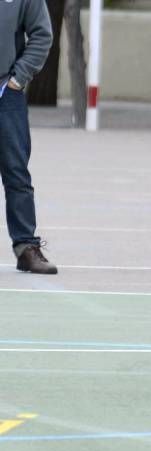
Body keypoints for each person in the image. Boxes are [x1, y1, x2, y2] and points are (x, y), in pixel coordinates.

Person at [0, 0, 57, 274]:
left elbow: (42, 34)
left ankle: (25, 247)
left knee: (16, 172)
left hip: (5, 93)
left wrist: (17, 79)